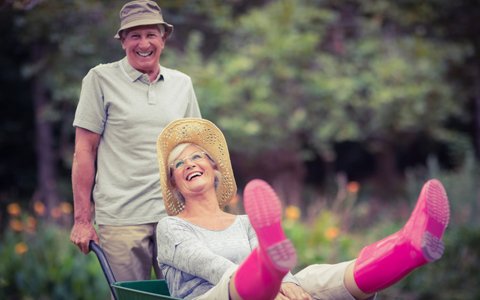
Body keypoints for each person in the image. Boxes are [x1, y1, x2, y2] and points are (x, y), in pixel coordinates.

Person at [155, 118, 450, 300]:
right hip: (213, 296)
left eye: (197, 157)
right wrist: (274, 289)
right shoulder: (171, 227)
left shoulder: (244, 223)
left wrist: (291, 285)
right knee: (236, 283)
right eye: (179, 164)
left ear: (213, 167)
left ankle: (408, 248)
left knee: (322, 278)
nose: (189, 164)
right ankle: (267, 272)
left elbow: (287, 275)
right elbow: (212, 266)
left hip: (265, 289)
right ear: (174, 182)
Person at [69, 0, 201, 283]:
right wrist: (82, 220)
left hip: (176, 218)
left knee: (188, 293)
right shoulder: (100, 79)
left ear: (163, 39)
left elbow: (194, 150)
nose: (144, 43)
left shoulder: (182, 84)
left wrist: (203, 210)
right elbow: (84, 151)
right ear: (123, 42)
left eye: (151, 34)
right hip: (121, 219)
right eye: (134, 36)